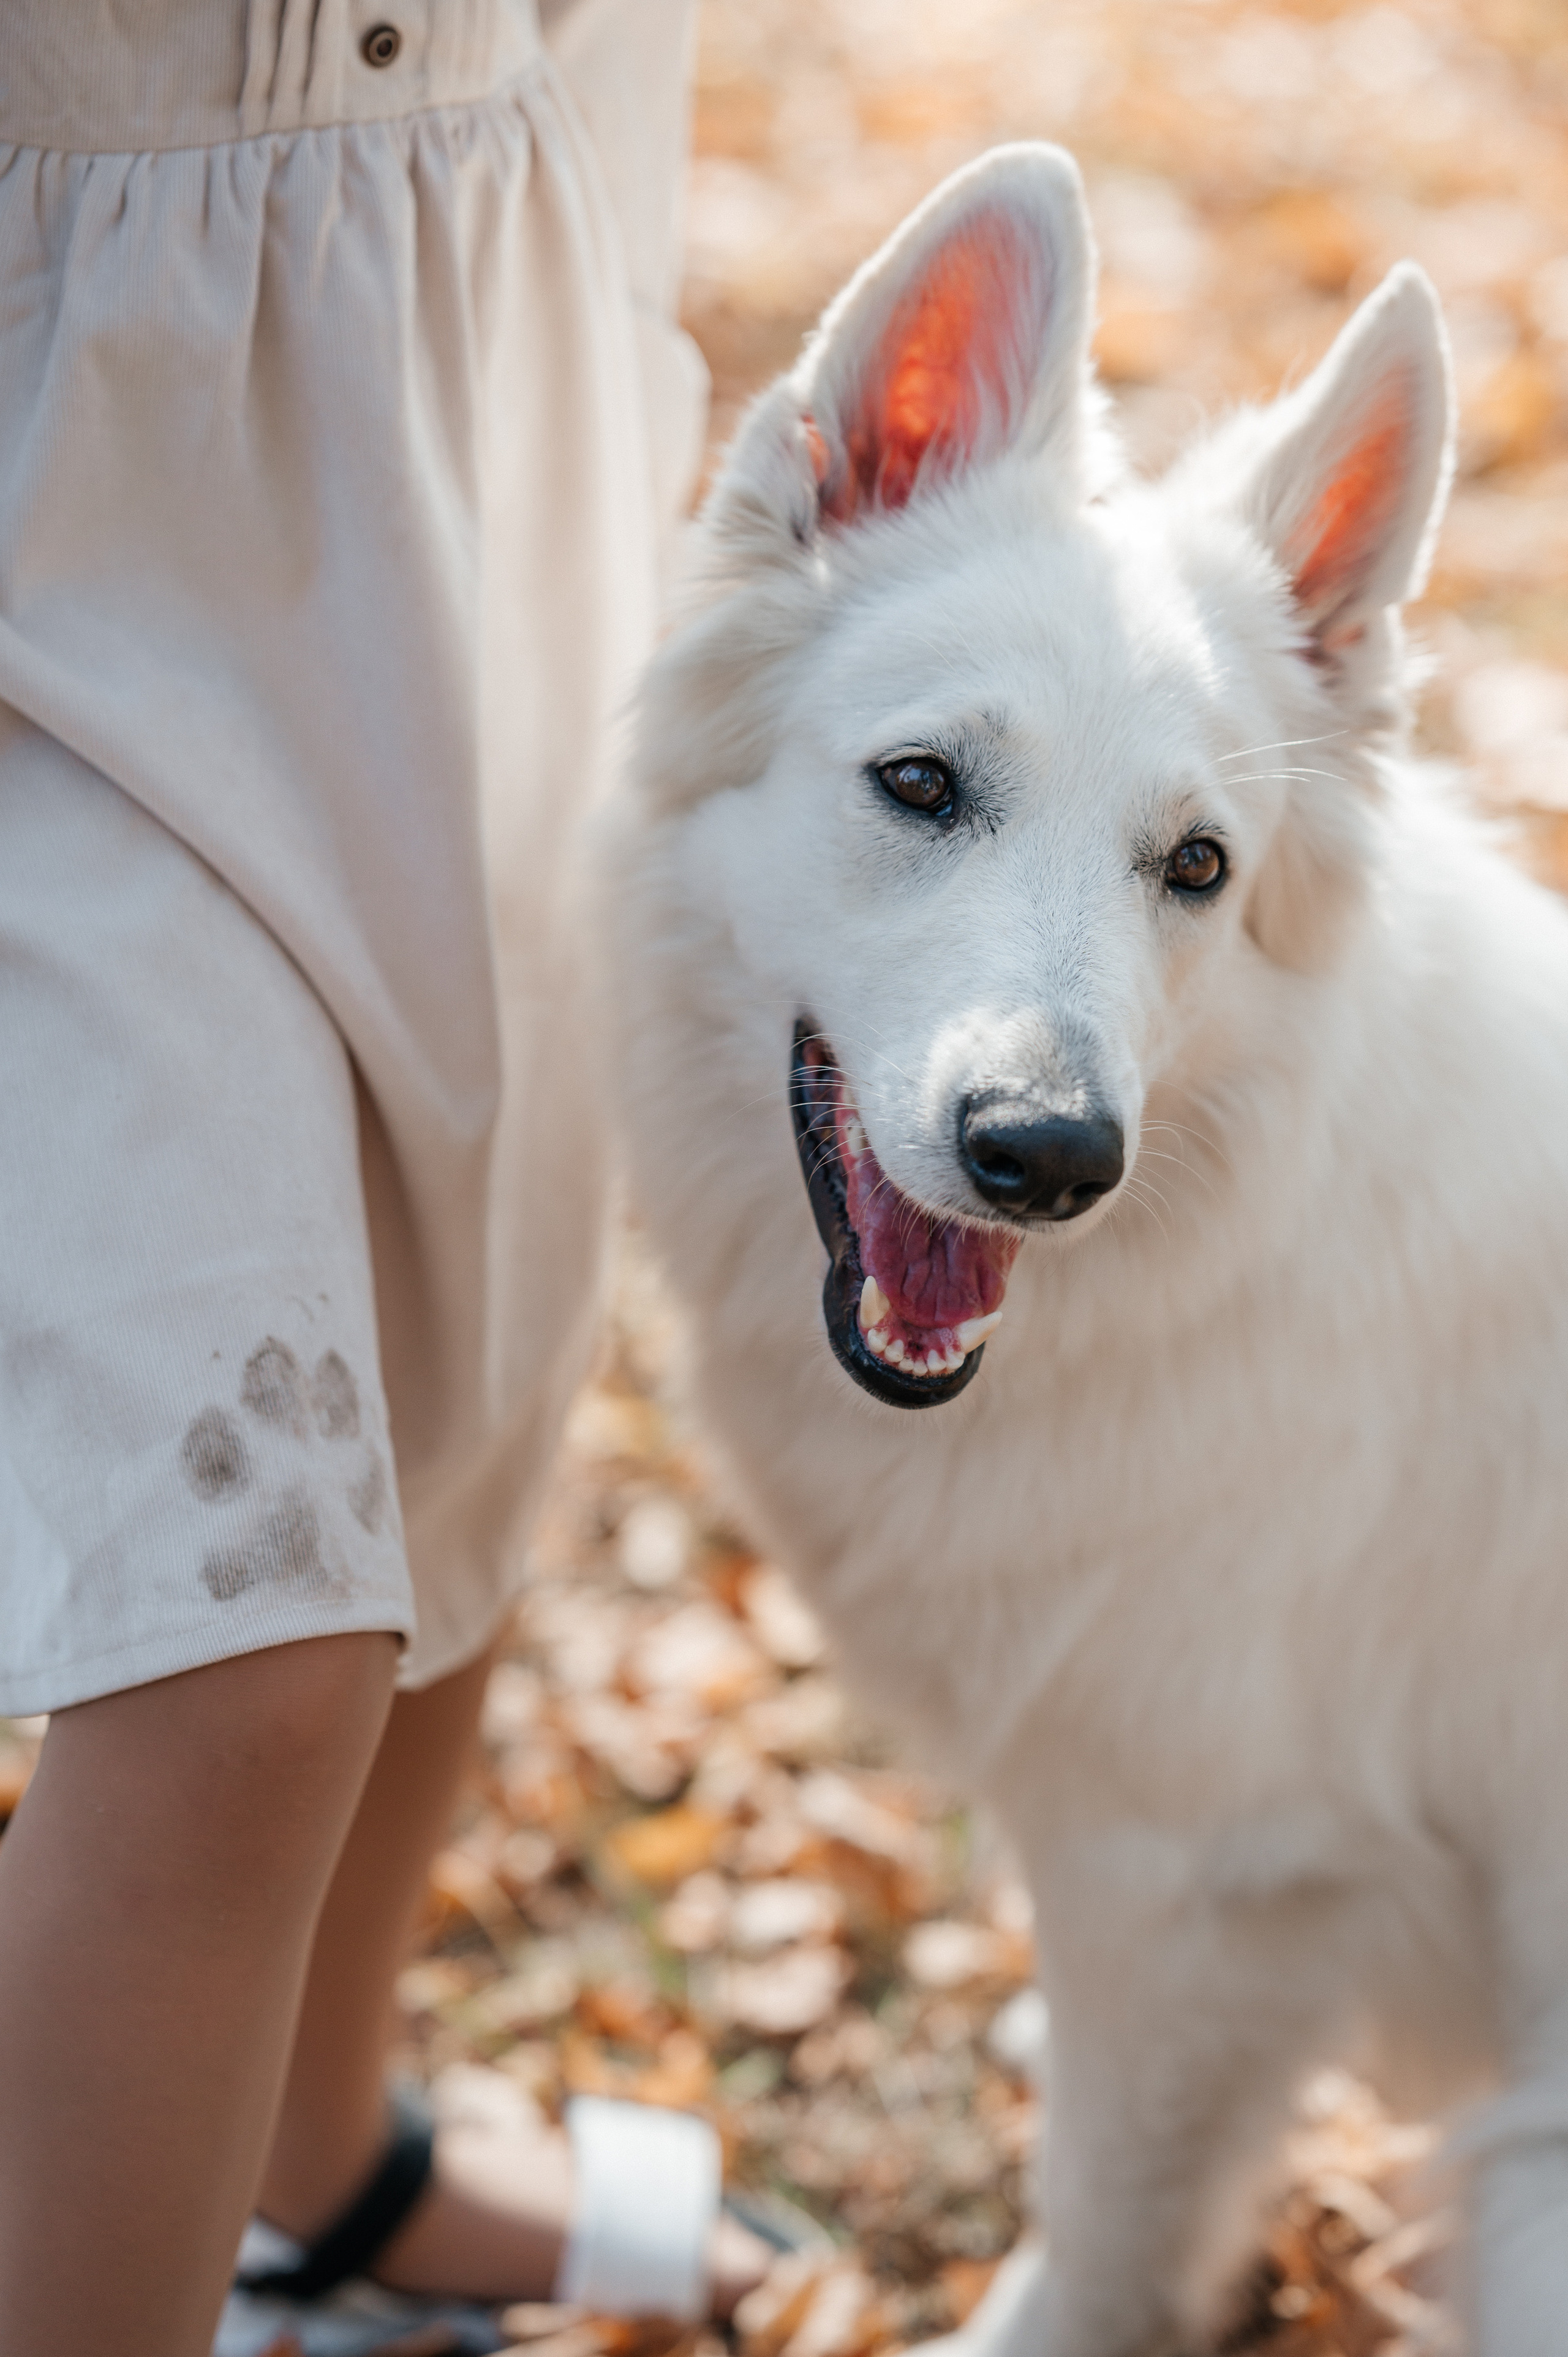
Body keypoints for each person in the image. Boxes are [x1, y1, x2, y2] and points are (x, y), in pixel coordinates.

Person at [0, 4, 766, 2350]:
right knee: (243, 1640)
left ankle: (302, 2148)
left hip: (495, 313)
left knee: (458, 1377)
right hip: (65, 416)